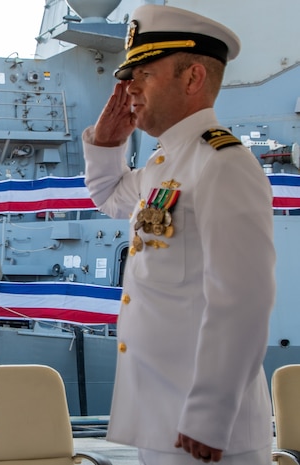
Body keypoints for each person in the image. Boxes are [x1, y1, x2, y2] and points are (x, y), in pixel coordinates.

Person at [82, 5, 275, 465]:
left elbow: (243, 300)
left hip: (206, 430)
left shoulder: (222, 163)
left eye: (143, 74)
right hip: (165, 417)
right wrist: (107, 145)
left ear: (191, 79)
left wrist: (209, 415)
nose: (129, 89)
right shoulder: (165, 165)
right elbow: (109, 196)